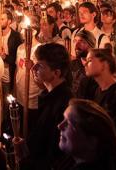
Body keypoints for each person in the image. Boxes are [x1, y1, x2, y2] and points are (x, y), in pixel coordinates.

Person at [14, 42, 73, 170]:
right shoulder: (46, 96)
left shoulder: (65, 104)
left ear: (56, 73)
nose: (33, 68)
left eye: (40, 65)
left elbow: (54, 149)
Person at [57, 98, 116, 170]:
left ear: (92, 142)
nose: (59, 126)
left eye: (68, 123)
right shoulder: (70, 161)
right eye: (63, 118)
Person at [70, 29, 98, 99]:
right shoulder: (71, 65)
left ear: (90, 45)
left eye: (81, 41)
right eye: (75, 41)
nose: (76, 45)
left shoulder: (97, 67)